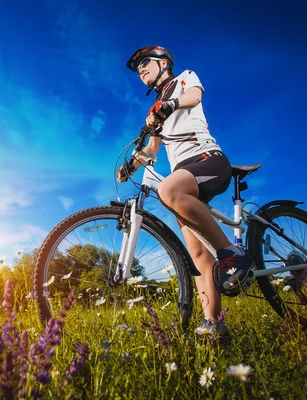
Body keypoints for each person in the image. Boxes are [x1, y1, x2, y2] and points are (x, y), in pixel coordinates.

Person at [118, 45, 256, 336]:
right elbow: (152, 151)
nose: (141, 69)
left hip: (208, 160)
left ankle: (232, 253)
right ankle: (214, 325)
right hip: (186, 178)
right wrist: (132, 165)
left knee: (168, 191)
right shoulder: (154, 112)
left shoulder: (184, 78)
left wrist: (169, 105)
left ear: (163, 62)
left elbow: (194, 97)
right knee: (198, 256)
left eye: (145, 62)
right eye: (138, 67)